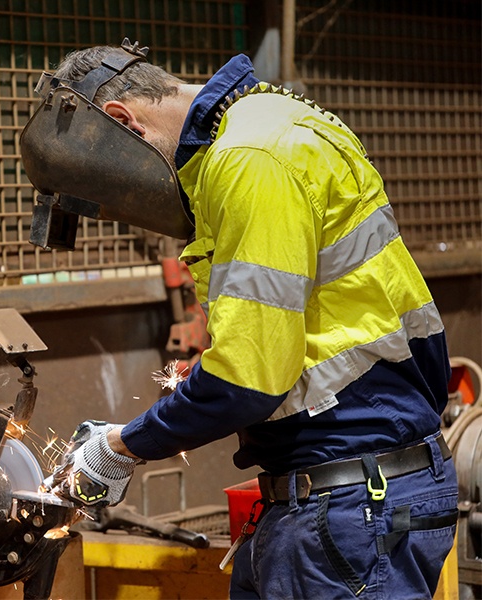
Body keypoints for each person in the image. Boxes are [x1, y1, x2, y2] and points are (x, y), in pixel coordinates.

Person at [35, 43, 458, 599]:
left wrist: (122, 445)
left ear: (122, 121)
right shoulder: (270, 121)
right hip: (344, 495)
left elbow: (248, 379)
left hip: (350, 507)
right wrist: (205, 383)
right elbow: (296, 337)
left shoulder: (248, 158)